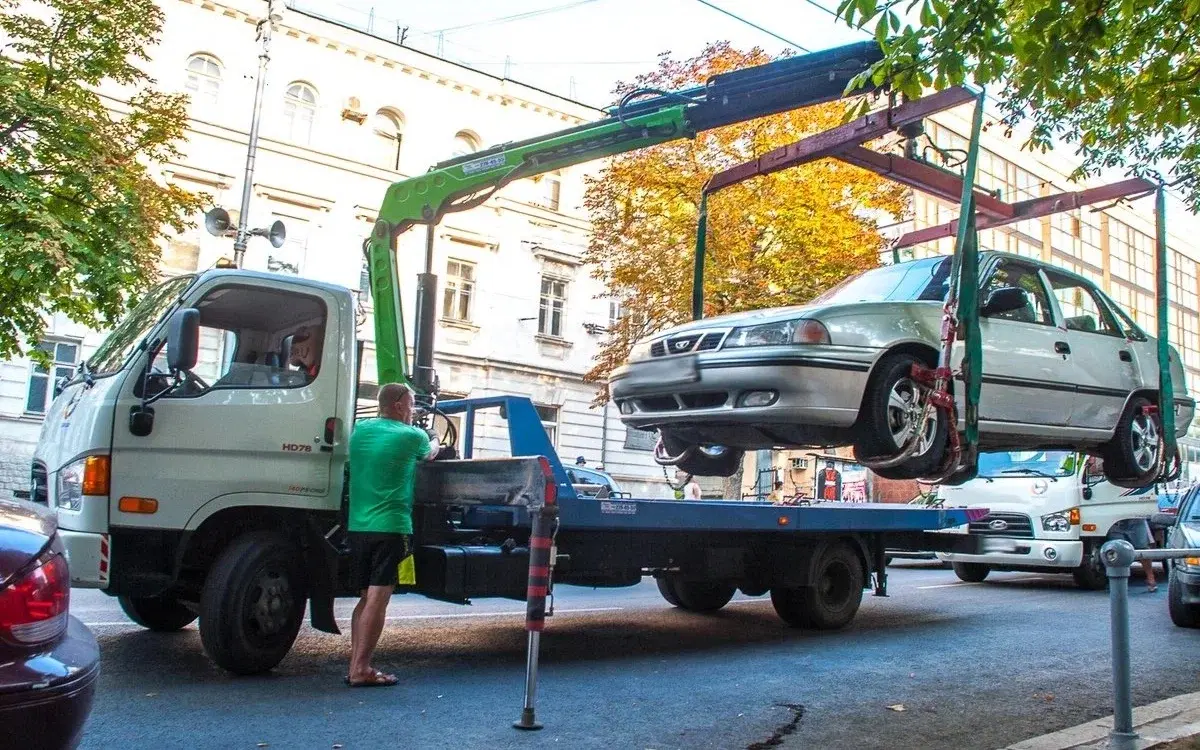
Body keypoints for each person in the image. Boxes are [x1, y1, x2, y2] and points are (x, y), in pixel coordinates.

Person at [346, 383, 440, 687]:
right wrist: (434, 436)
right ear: (399, 405)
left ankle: (355, 665)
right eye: (411, 403)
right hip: (391, 525)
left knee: (365, 599)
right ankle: (362, 669)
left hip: (358, 525)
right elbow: (430, 455)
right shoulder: (412, 436)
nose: (413, 409)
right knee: (379, 597)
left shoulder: (360, 431)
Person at [1109, 517, 1159, 592]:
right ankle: (1120, 581)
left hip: (1136, 518)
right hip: (1113, 521)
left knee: (1143, 548)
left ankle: (1150, 577)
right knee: (1118, 549)